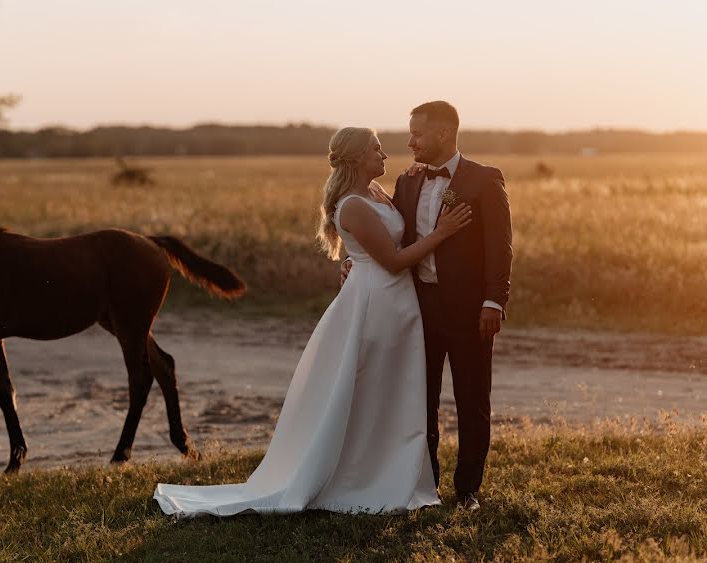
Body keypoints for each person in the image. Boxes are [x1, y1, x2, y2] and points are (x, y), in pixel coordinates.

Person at [153, 127, 471, 518]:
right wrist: (442, 233)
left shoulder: (377, 193)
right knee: (370, 387)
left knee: (392, 388)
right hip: (376, 301)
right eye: (376, 149)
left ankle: (390, 472)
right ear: (357, 159)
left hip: (396, 301)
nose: (384, 155)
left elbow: (392, 246)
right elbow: (392, 261)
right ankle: (361, 478)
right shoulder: (352, 205)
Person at [343, 101, 513, 511]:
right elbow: (394, 238)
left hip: (472, 310)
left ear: (442, 134)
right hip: (416, 309)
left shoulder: (484, 181)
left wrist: (494, 300)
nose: (409, 141)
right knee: (420, 400)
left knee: (473, 399)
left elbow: (500, 248)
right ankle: (426, 484)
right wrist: (355, 258)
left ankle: (467, 489)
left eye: (416, 133)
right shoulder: (408, 182)